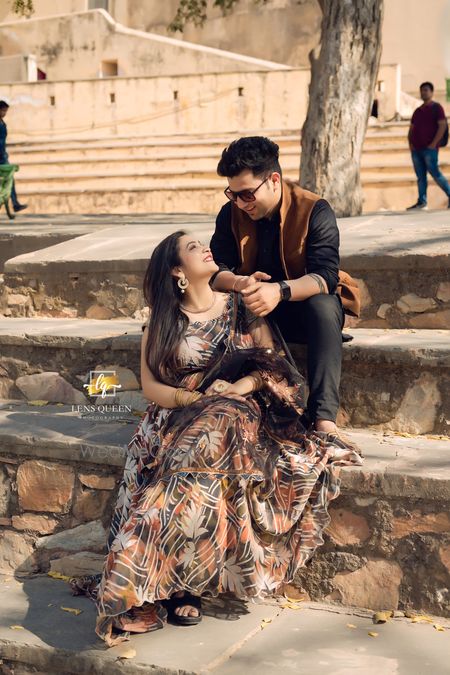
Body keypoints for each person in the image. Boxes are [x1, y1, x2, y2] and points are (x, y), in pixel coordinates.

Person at [68, 230, 362, 647]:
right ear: (177, 271)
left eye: (202, 244)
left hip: (236, 410)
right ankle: (174, 582)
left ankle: (145, 577)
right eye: (193, 248)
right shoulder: (163, 321)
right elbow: (151, 386)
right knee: (189, 467)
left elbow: (273, 367)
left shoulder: (241, 308)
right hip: (179, 413)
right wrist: (193, 399)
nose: (205, 248)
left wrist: (237, 388)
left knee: (207, 441)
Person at [209, 136, 360, 440]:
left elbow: (326, 276)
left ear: (274, 180)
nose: (240, 203)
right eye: (232, 194)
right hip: (252, 313)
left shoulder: (314, 209)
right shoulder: (231, 213)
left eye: (247, 194)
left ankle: (324, 418)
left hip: (302, 313)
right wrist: (240, 282)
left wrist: (279, 291)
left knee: (325, 304)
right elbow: (215, 271)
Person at [407, 82, 450, 210]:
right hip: (416, 149)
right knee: (420, 177)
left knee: (435, 174)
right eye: (422, 90)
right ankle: (422, 201)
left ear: (431, 92)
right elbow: (411, 129)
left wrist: (433, 144)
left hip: (430, 149)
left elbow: (442, 126)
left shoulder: (437, 108)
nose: (423, 92)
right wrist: (411, 144)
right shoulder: (417, 111)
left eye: (426, 90)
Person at [0, 100, 28, 213]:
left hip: (3, 156)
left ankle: (15, 204)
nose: (4, 113)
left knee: (10, 178)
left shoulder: (3, 123)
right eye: (3, 110)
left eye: (5, 111)